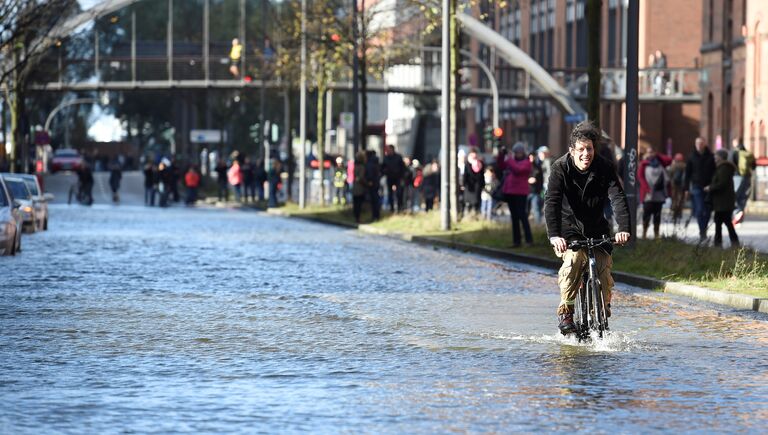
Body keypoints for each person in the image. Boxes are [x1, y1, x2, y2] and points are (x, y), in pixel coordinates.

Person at [544, 121, 631, 334]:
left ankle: (602, 309)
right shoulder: (560, 167)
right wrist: (555, 235)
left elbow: (617, 197)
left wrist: (623, 228)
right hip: (569, 228)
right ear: (572, 151)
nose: (586, 154)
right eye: (581, 150)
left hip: (597, 227)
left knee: (603, 269)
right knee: (573, 261)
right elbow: (552, 201)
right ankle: (567, 312)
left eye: (589, 149)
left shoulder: (604, 166)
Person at [497, 142, 533, 247]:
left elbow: (517, 170)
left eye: (519, 152)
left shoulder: (526, 162)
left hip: (520, 193)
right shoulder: (512, 161)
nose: (517, 154)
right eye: (516, 152)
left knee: (522, 216)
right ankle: (516, 241)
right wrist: (501, 154)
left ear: (523, 152)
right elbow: (501, 165)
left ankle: (529, 240)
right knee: (514, 218)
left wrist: (509, 158)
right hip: (510, 192)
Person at [706, 149, 740, 248]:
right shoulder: (722, 168)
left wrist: (710, 188)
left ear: (720, 157)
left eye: (716, 156)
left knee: (722, 223)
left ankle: (719, 243)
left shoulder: (723, 168)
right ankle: (731, 242)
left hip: (723, 202)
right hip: (723, 201)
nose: (714, 158)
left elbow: (721, 184)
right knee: (724, 223)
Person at [685, 137, 716, 241]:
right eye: (697, 143)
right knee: (699, 210)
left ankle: (704, 230)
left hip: (708, 187)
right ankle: (702, 231)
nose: (699, 145)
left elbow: (715, 173)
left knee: (707, 211)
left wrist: (712, 185)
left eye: (701, 143)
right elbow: (687, 174)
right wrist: (686, 189)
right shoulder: (691, 157)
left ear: (705, 144)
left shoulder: (711, 157)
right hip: (696, 186)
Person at [638, 149, 671, 239]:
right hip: (647, 194)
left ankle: (656, 234)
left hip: (659, 193)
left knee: (657, 214)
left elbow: (669, 160)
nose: (651, 154)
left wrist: (658, 155)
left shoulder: (660, 163)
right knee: (647, 214)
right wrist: (647, 189)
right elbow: (640, 177)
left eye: (652, 152)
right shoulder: (643, 164)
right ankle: (644, 233)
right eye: (649, 152)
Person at [732, 138, 756, 225]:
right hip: (747, 177)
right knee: (743, 197)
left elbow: (730, 164)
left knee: (734, 196)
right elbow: (754, 166)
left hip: (737, 176)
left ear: (735, 143)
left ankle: (736, 214)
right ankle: (740, 215)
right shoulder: (748, 153)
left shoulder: (734, 152)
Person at [381, 145, 406, 213]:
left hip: (398, 178)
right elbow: (382, 168)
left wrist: (402, 177)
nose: (388, 151)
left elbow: (403, 168)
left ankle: (399, 207)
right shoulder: (386, 158)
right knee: (390, 194)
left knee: (399, 193)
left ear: (392, 149)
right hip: (389, 177)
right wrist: (385, 172)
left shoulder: (398, 157)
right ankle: (392, 208)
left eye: (389, 150)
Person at [463, 148, 485, 216]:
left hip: (477, 187)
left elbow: (481, 176)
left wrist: (482, 185)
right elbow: (465, 175)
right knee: (468, 203)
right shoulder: (467, 164)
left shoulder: (480, 164)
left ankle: (476, 215)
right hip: (469, 187)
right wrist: (463, 184)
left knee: (476, 203)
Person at [668, 153, 687, 226]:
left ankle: (674, 214)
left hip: (674, 186)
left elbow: (669, 174)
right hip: (681, 186)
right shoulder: (684, 166)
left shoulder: (673, 166)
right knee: (680, 200)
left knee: (674, 199)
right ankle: (679, 213)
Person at [528, 152, 544, 224]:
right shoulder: (525, 166)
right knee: (525, 210)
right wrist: (528, 180)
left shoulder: (537, 167)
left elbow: (541, 179)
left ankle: (538, 225)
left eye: (533, 157)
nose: (531, 159)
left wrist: (539, 189)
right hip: (526, 191)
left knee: (536, 209)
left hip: (535, 191)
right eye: (530, 157)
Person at [365, 150, 381, 221]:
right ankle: (376, 216)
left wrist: (369, 181)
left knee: (373, 200)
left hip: (372, 184)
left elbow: (369, 173)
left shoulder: (370, 163)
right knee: (376, 200)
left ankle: (374, 216)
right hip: (376, 183)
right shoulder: (376, 162)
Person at [351, 151, 367, 223]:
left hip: (355, 187)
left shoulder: (355, 166)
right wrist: (366, 183)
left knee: (356, 203)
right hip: (360, 188)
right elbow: (361, 177)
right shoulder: (362, 167)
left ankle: (356, 217)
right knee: (359, 204)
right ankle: (358, 218)